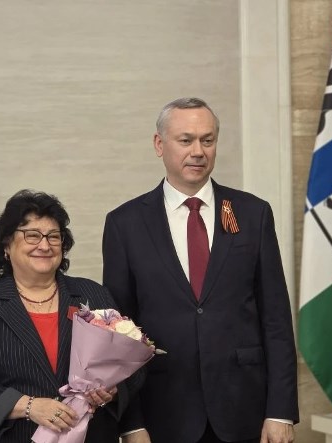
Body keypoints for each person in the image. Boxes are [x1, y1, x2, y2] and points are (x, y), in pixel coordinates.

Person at [103, 98, 299, 443]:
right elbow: (119, 333)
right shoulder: (125, 224)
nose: (198, 151)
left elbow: (276, 320)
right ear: (159, 144)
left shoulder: (253, 214)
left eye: (207, 140)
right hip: (164, 413)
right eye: (186, 140)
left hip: (245, 410)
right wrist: (131, 424)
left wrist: (280, 411)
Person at [0, 189, 141, 442]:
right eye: (32, 235)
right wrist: (29, 406)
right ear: (7, 244)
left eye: (53, 236)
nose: (45, 245)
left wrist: (113, 391)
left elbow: (132, 370)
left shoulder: (93, 294)